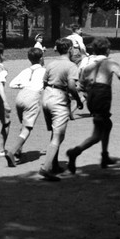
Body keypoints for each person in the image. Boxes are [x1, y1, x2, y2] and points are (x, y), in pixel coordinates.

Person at [66, 37, 120, 173]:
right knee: (97, 134)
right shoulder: (110, 63)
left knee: (107, 124)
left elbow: (80, 86)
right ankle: (75, 152)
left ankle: (104, 155)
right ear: (107, 50)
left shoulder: (89, 66)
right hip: (102, 96)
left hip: (92, 97)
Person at [38, 37, 82, 181]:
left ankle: (54, 164)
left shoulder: (51, 64)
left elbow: (44, 82)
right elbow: (71, 86)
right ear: (70, 49)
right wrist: (78, 99)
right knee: (58, 136)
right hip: (59, 98)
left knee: (54, 133)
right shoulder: (71, 66)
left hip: (46, 97)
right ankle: (46, 168)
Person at [4, 47, 46, 167]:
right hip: (32, 97)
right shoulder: (44, 71)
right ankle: (12, 151)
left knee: (23, 125)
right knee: (27, 128)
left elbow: (12, 84)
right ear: (41, 58)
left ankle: (18, 152)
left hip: (21, 96)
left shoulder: (25, 71)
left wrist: (24, 84)